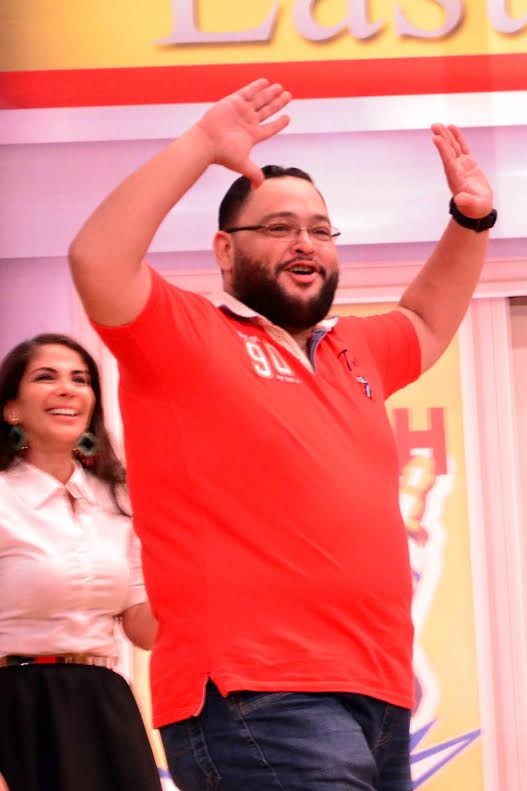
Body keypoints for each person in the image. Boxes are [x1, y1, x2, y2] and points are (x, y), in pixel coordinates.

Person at [68, 79, 495, 790]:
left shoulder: (353, 349)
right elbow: (97, 258)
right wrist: (202, 144)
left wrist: (470, 220)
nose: (305, 243)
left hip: (378, 691)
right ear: (224, 250)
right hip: (256, 693)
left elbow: (425, 319)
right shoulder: (184, 334)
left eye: (320, 230)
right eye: (279, 227)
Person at [0, 333, 162, 791]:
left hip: (105, 704)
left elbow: (143, 628)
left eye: (81, 379)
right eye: (45, 377)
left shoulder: (118, 498)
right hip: (17, 706)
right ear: (11, 409)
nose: (67, 389)